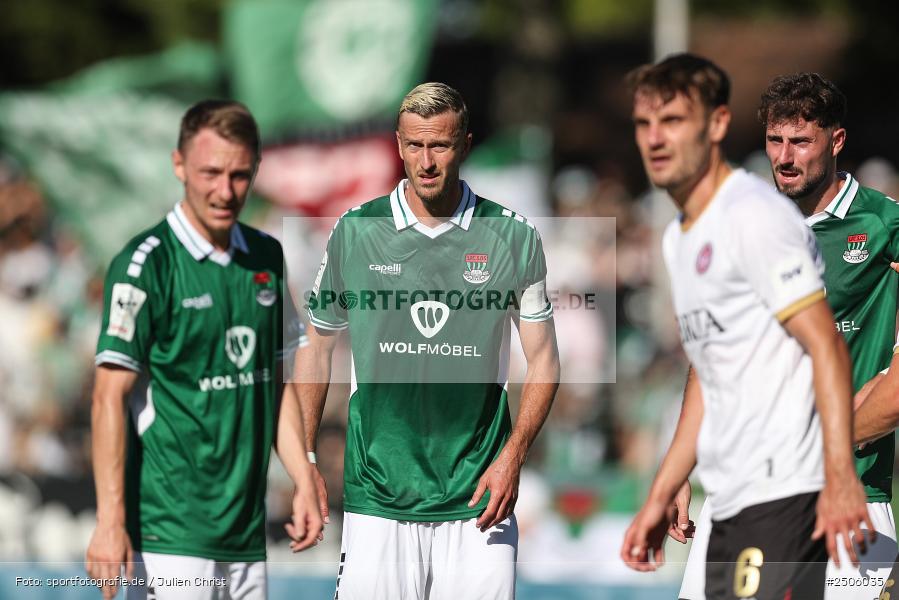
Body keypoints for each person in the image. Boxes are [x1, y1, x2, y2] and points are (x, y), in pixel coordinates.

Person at [619, 54, 872, 600]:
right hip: (729, 497)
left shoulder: (756, 216)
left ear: (715, 126)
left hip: (784, 492)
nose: (656, 140)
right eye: (645, 124)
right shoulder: (679, 238)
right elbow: (713, 375)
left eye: (675, 122)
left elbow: (826, 345)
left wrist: (840, 475)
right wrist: (663, 490)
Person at [298, 82, 560, 600]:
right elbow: (317, 347)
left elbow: (545, 360)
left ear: (464, 144)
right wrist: (305, 460)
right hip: (379, 497)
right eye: (415, 146)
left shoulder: (513, 236)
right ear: (398, 145)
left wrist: (513, 455)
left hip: (479, 498)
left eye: (439, 145)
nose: (427, 161)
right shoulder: (355, 231)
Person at [85, 99, 322, 600]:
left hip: (245, 532)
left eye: (239, 174)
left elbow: (271, 385)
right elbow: (108, 397)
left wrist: (303, 474)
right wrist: (110, 520)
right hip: (169, 532)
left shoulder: (266, 257)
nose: (225, 190)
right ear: (179, 166)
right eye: (210, 172)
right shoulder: (145, 265)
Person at [676, 72, 899, 600]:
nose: (785, 156)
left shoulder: (885, 226)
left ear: (836, 141)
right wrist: (679, 468)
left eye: (801, 141)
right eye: (776, 140)